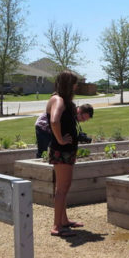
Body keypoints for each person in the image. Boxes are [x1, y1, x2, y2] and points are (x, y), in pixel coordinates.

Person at [46, 71, 84, 237]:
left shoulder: (62, 100)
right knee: (62, 188)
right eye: (74, 83)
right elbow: (54, 121)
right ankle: (56, 226)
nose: (76, 86)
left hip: (66, 150)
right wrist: (61, 140)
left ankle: (64, 221)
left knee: (63, 187)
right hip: (62, 151)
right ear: (68, 84)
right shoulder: (58, 100)